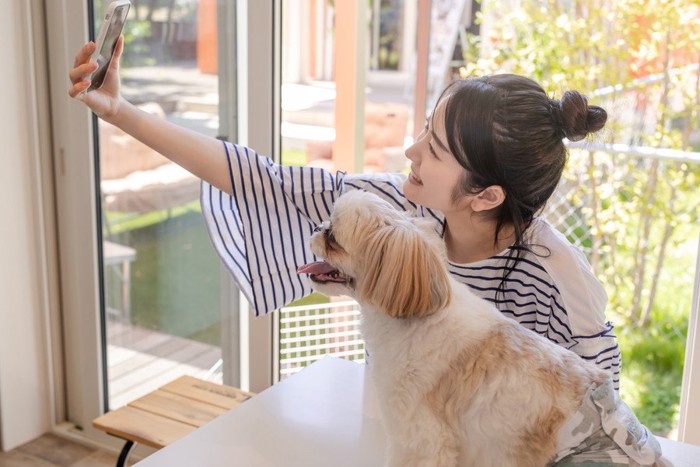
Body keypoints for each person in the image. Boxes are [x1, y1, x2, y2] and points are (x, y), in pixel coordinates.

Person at [69, 36, 619, 389]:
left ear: (487, 196)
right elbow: (260, 178)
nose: (412, 153)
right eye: (425, 130)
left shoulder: (557, 280)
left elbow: (597, 410)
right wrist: (120, 112)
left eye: (435, 149)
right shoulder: (398, 211)